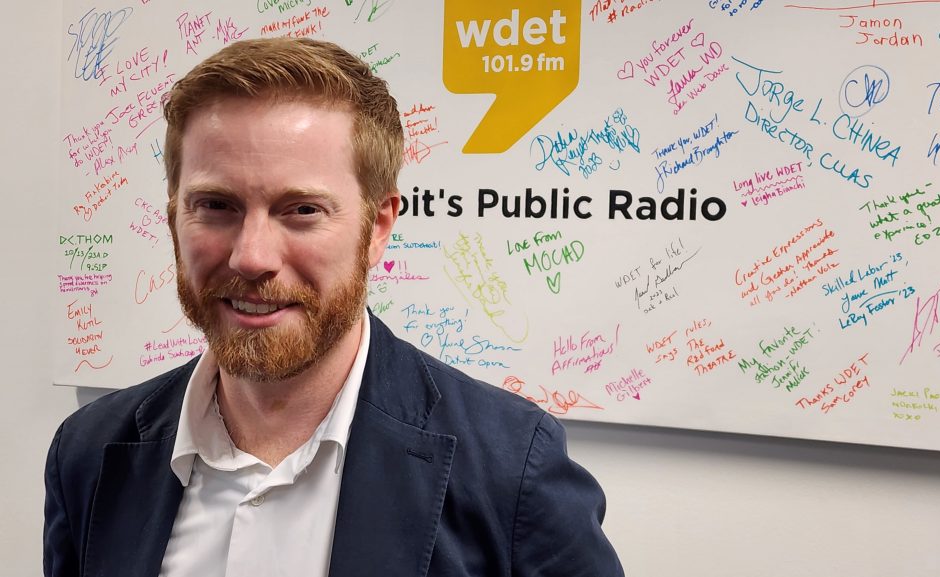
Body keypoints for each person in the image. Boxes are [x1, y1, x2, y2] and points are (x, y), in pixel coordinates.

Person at [43, 38, 624, 577]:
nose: (251, 257)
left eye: (301, 210)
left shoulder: (513, 470)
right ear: (174, 218)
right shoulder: (87, 455)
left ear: (378, 226)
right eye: (216, 205)